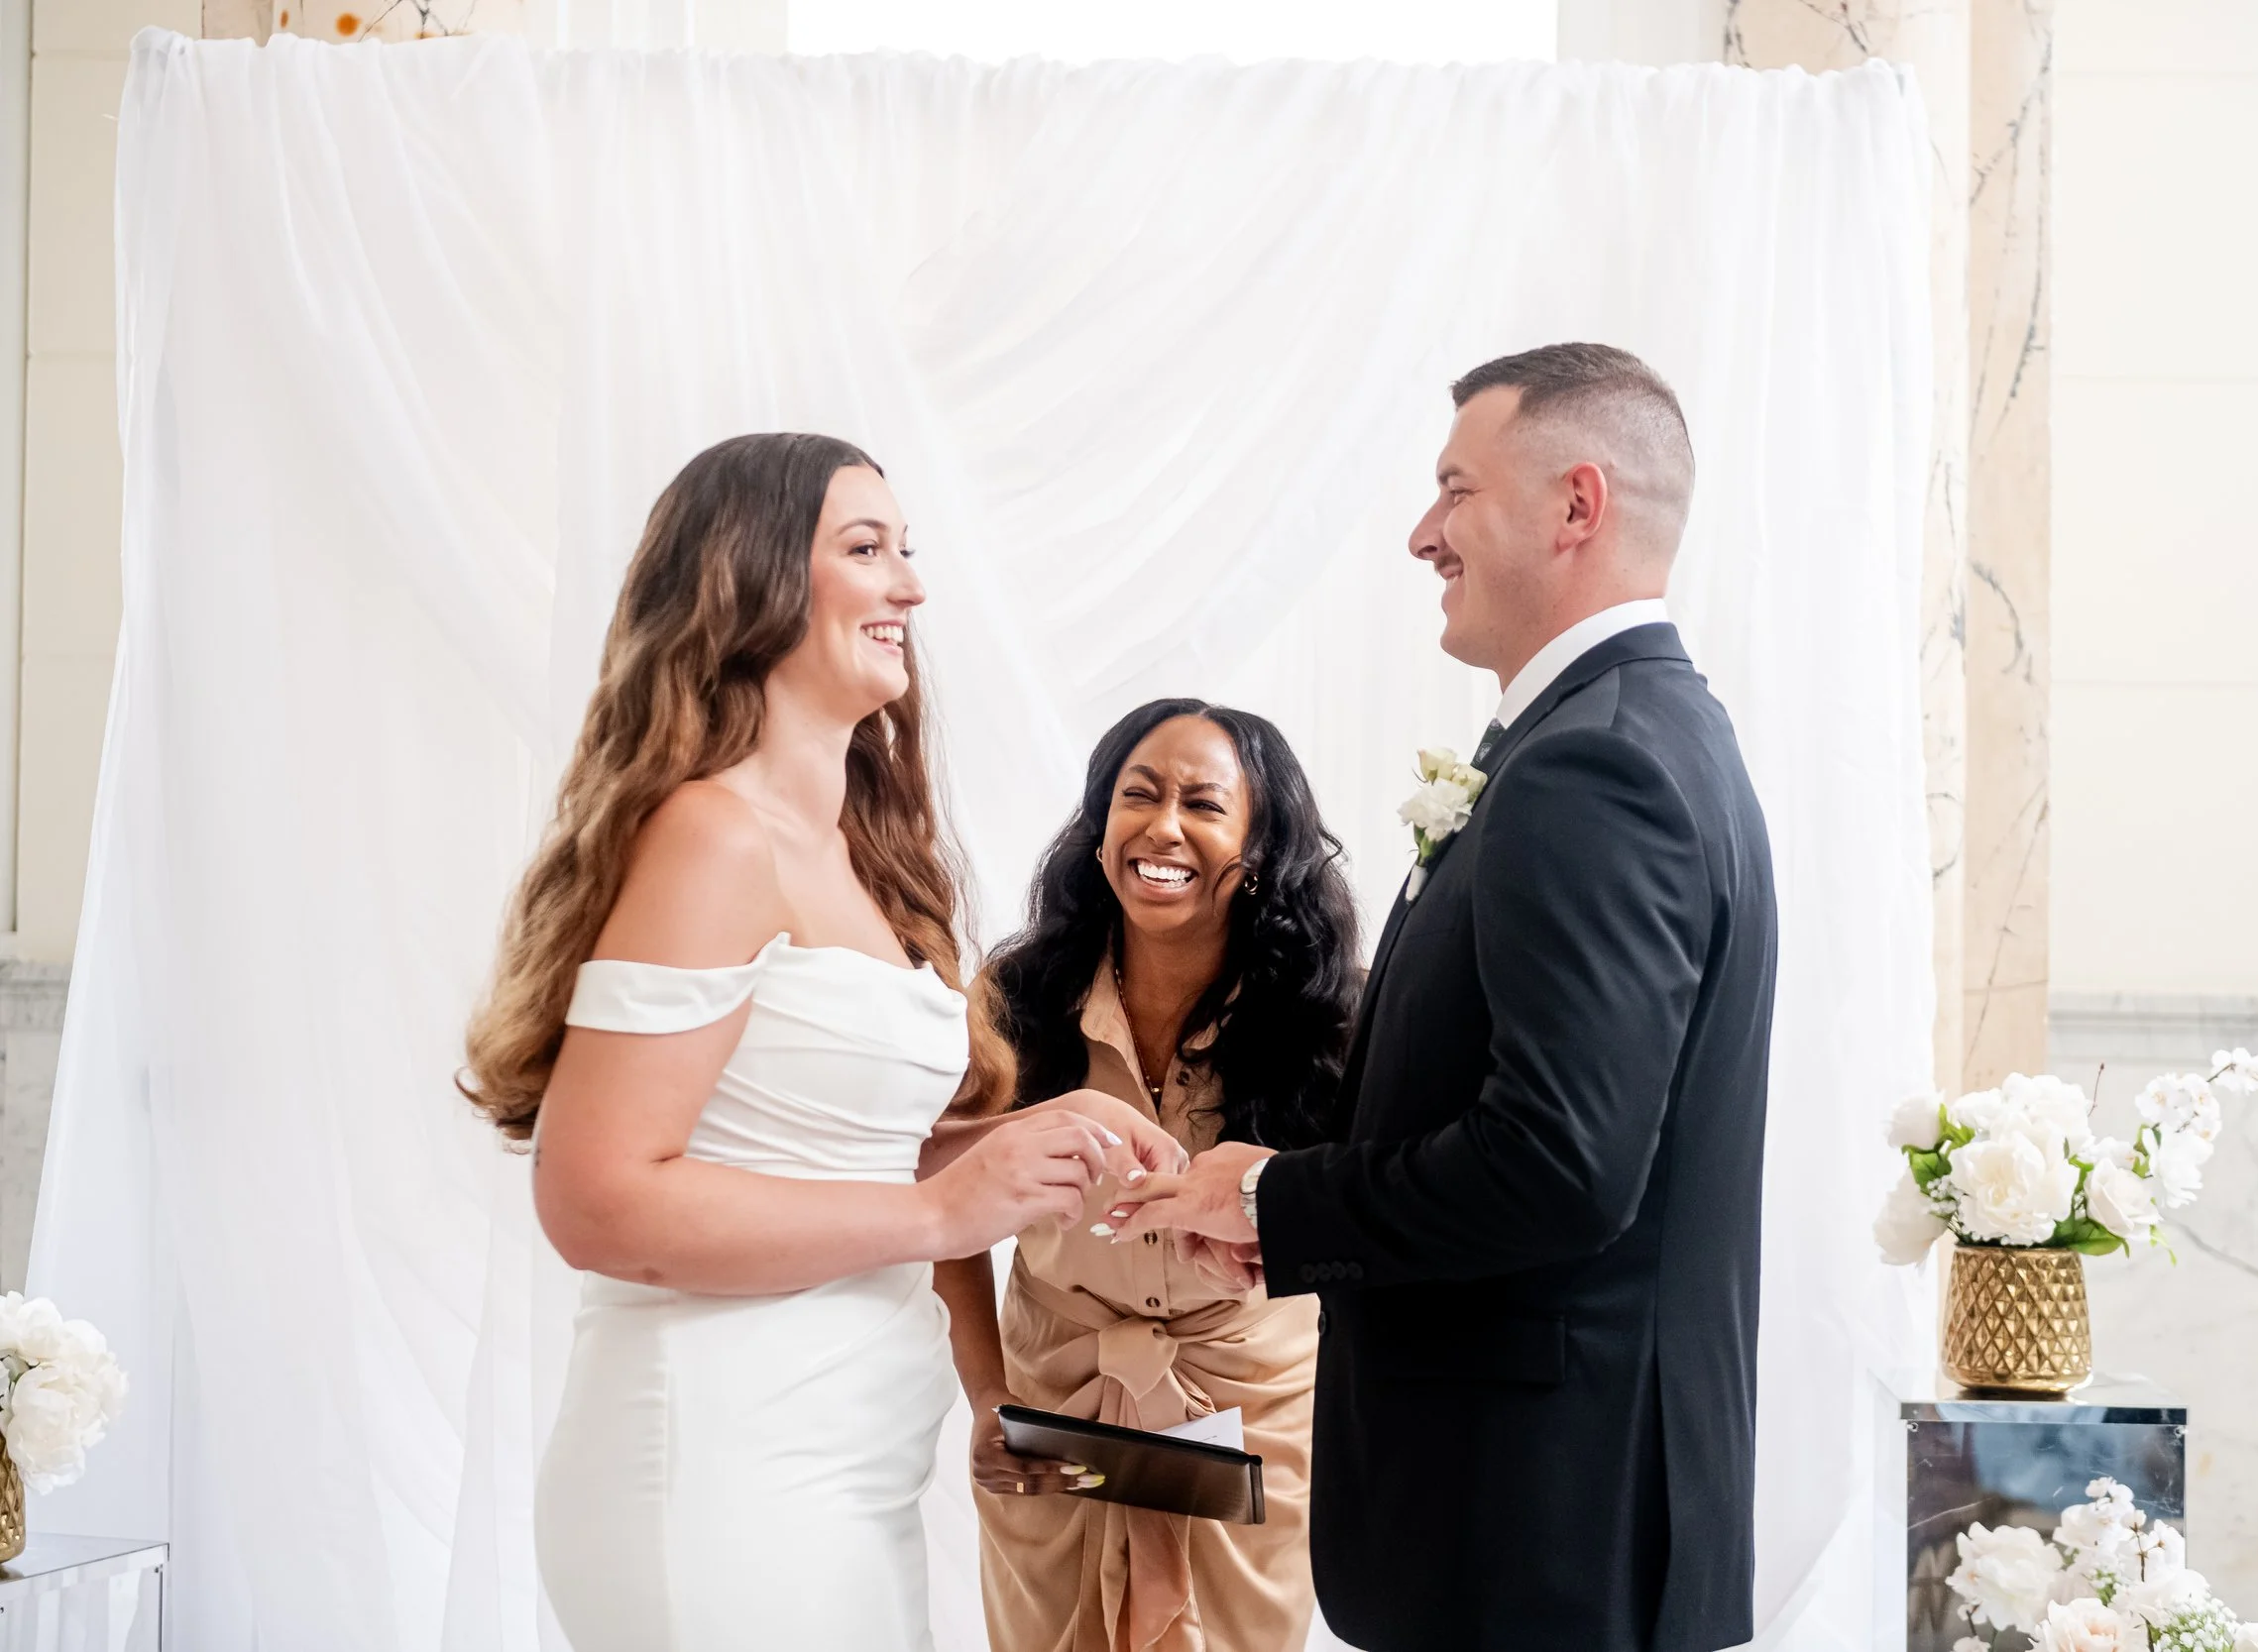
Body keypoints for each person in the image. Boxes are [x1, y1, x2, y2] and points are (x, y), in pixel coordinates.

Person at [459, 433, 1181, 1652]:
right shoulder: (713, 836)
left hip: (842, 1471)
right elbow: (595, 1200)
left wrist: (1031, 1134)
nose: (911, 587)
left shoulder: (861, 858)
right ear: (749, 579)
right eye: (867, 549)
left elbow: (828, 1151)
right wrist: (946, 1218)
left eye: (908, 552)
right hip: (721, 1468)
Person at [1106, 344, 1778, 1652]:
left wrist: (1275, 1198)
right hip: (1544, 1522)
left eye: (1455, 490)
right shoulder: (1628, 732)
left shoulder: (1596, 764)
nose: (1424, 533)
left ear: (1576, 505)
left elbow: (1562, 1162)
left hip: (1535, 1533)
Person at [939, 700, 1361, 1652]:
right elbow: (941, 1208)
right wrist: (982, 1398)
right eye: (1138, 795)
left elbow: (1368, 1223)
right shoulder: (1016, 997)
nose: (1163, 826)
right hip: (1053, 1415)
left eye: (1204, 805)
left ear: (1258, 854)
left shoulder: (1326, 1022)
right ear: (1099, 835)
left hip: (1255, 1426)